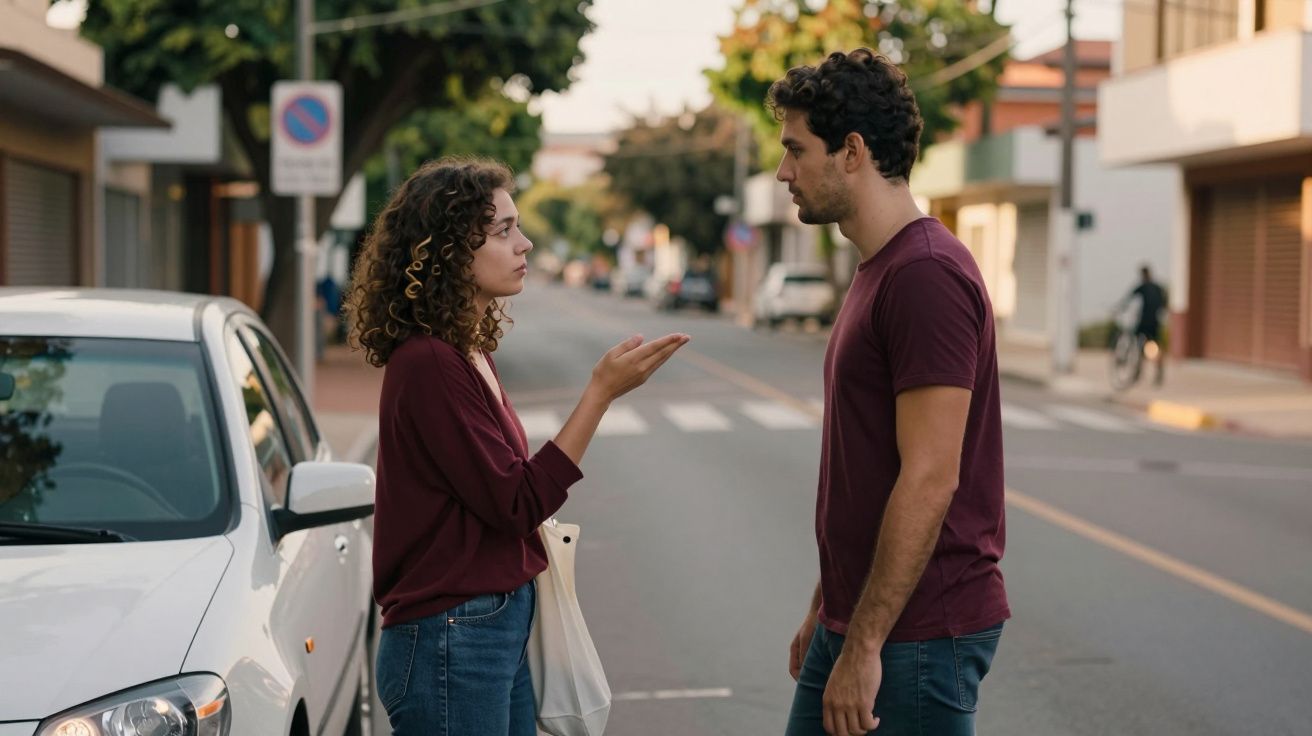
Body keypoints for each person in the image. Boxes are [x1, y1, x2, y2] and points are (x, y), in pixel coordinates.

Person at [345, 157, 689, 735]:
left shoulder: (463, 350)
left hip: (485, 626)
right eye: (503, 231)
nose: (524, 244)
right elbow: (517, 502)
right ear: (450, 250)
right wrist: (599, 394)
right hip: (451, 637)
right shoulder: (429, 363)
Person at [768, 50, 1010, 736]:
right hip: (861, 617)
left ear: (852, 151)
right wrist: (827, 608)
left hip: (917, 634)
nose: (784, 171)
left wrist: (865, 642)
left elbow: (931, 476)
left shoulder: (923, 276)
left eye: (795, 149)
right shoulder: (883, 268)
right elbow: (867, 467)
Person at [1122, 264, 1168, 386]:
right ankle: (1153, 372)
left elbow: (1129, 298)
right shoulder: (1158, 287)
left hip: (1144, 322)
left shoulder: (1143, 287)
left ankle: (1139, 372)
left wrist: (1120, 308)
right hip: (1155, 323)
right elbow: (1164, 304)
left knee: (1140, 345)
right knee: (1153, 346)